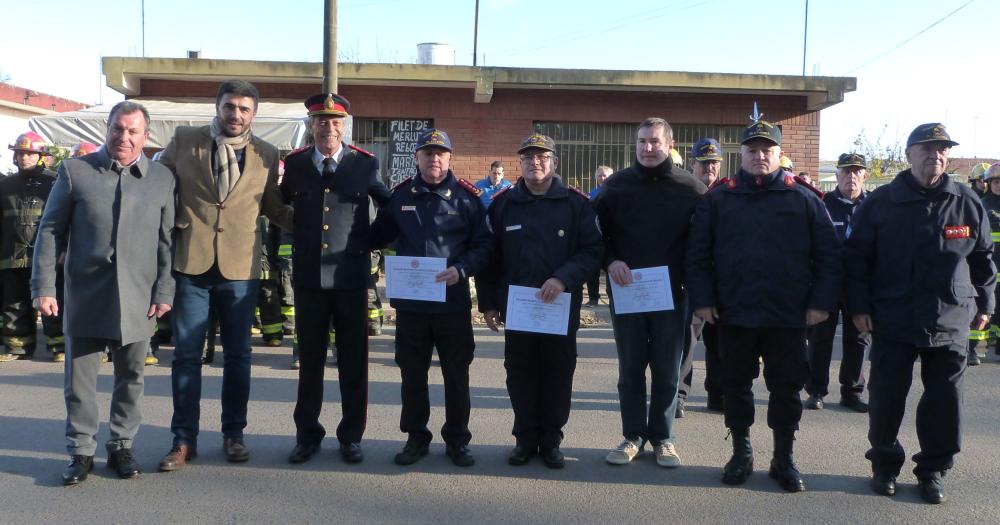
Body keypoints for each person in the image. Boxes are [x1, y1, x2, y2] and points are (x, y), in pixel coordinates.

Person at [686, 115, 841, 492]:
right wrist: (702, 301)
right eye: (752, 150)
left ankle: (783, 457)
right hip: (733, 313)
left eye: (766, 150)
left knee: (786, 388)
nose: (759, 156)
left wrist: (822, 303)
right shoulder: (719, 198)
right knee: (735, 386)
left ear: (779, 154)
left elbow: (829, 256)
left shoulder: (804, 198)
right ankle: (742, 453)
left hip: (787, 315)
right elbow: (697, 255)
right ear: (740, 154)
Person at [846, 123, 995, 504]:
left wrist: (987, 303)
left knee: (945, 401)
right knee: (886, 397)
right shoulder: (881, 203)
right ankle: (884, 464)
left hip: (950, 317)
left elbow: (981, 259)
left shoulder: (965, 201)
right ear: (909, 154)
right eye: (927, 148)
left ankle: (933, 470)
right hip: (893, 317)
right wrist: (859, 307)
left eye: (943, 148)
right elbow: (858, 260)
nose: (936, 155)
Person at [31, 101, 175, 485]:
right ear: (107, 130)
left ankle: (121, 445)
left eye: (132, 131)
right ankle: (80, 451)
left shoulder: (161, 178)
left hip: (139, 297)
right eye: (117, 129)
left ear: (146, 136)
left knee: (132, 379)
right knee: (79, 382)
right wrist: (44, 286)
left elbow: (166, 241)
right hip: (87, 293)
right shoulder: (76, 171)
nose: (123, 137)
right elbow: (49, 231)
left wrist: (165, 289)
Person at [156, 80, 293, 471]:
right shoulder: (184, 140)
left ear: (254, 113)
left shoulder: (266, 153)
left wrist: (325, 229)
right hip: (191, 265)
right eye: (229, 106)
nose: (236, 115)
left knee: (239, 357)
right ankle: (183, 440)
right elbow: (156, 188)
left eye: (244, 109)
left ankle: (234, 434)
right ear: (217, 107)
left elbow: (275, 208)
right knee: (185, 357)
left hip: (239, 269)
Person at [477, 133, 602, 469]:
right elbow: (490, 257)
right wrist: (488, 304)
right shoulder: (504, 204)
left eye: (543, 157)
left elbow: (593, 251)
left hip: (560, 309)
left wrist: (563, 278)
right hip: (519, 312)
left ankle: (551, 441)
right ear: (520, 163)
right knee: (519, 373)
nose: (536, 163)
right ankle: (524, 438)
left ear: (555, 162)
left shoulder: (576, 204)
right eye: (529, 157)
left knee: (558, 374)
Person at [370, 128, 492, 467]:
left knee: (456, 374)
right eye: (427, 152)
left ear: (450, 157)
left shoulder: (468, 198)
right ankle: (415, 437)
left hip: (451, 303)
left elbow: (485, 246)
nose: (434, 158)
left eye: (440, 152)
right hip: (411, 307)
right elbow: (378, 235)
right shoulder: (399, 195)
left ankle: (457, 440)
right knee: (412, 373)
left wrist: (462, 269)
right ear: (417, 157)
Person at [282, 92, 390, 465]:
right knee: (310, 363)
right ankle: (307, 433)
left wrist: (368, 243)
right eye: (321, 122)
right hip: (310, 280)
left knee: (353, 363)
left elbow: (389, 207)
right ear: (311, 126)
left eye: (335, 122)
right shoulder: (294, 165)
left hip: (351, 280)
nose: (329, 128)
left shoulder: (365, 164)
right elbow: (279, 209)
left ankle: (351, 436)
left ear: (345, 127)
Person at [592, 118, 706, 468]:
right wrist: (610, 262)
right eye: (642, 142)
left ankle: (663, 437)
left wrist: (695, 288)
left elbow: (702, 244)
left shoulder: (691, 189)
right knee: (630, 369)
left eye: (655, 141)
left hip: (672, 295)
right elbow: (594, 235)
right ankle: (632, 436)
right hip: (627, 292)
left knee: (668, 370)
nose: (647, 148)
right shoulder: (617, 187)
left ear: (670, 144)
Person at [804, 153, 872, 412]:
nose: (851, 176)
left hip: (860, 284)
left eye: (857, 171)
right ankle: (816, 391)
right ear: (837, 175)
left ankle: (852, 392)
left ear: (864, 175)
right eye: (846, 171)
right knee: (821, 338)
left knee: (858, 339)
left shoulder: (873, 206)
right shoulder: (822, 204)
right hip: (827, 283)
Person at [0, 131, 65, 362]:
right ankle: (17, 346)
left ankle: (59, 346)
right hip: (11, 254)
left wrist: (65, 249)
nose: (24, 157)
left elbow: (66, 220)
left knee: (52, 302)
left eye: (29, 153)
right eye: (20, 153)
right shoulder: (4, 185)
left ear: (40, 156)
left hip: (47, 257)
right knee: (14, 302)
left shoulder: (56, 182)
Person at [678, 138, 726, 415]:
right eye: (704, 162)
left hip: (720, 280)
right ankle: (680, 394)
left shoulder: (727, 195)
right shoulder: (683, 194)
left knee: (719, 341)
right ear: (692, 164)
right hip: (689, 279)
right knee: (686, 341)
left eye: (714, 163)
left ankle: (716, 394)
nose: (709, 168)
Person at [585, 165, 613, 307]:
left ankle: (612, 297)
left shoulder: (615, 192)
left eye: (605, 175)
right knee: (593, 269)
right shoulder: (592, 193)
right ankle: (593, 297)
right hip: (596, 236)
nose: (602, 178)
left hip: (612, 237)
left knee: (611, 268)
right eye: (600, 175)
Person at [980, 163, 1000, 362]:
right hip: (989, 269)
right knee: (983, 310)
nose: (999, 185)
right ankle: (970, 350)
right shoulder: (983, 205)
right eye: (996, 181)